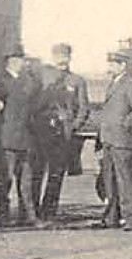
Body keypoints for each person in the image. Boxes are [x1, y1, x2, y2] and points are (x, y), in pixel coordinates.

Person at [30, 43, 88, 224]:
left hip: (63, 134)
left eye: (66, 56)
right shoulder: (43, 77)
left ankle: (49, 211)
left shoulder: (77, 81)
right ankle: (33, 211)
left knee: (56, 173)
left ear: (70, 58)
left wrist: (74, 126)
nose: (62, 60)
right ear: (53, 57)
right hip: (42, 132)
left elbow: (83, 108)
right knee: (37, 171)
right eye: (58, 56)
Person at [95, 54, 132, 230]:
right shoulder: (114, 84)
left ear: (122, 66)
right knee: (109, 181)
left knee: (125, 180)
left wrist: (127, 123)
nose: (109, 67)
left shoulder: (129, 84)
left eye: (112, 64)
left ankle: (131, 219)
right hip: (110, 139)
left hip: (123, 140)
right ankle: (111, 218)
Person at [0, 45, 42, 225]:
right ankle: (2, 216)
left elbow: (36, 107)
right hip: (7, 138)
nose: (23, 62)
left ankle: (28, 215)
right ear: (10, 61)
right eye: (19, 59)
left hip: (27, 138)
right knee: (6, 178)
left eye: (22, 59)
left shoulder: (29, 81)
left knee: (26, 180)